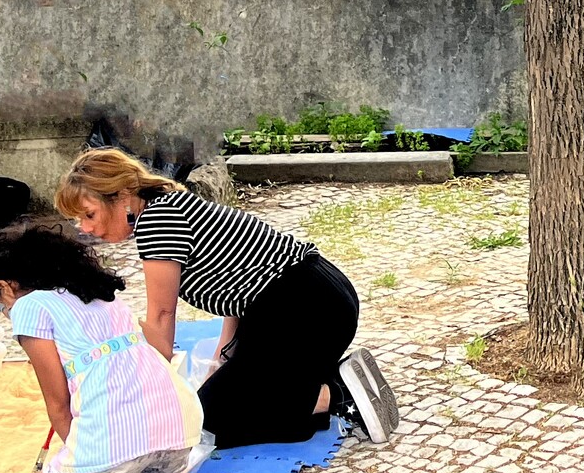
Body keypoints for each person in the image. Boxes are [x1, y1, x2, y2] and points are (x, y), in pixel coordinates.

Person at [56, 149, 398, 448]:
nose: (85, 228)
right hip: (318, 296)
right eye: (78, 219)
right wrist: (222, 358)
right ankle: (328, 376)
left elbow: (161, 316)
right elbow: (238, 285)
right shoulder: (171, 203)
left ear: (122, 195)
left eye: (89, 214)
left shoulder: (156, 223)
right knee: (224, 392)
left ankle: (338, 395)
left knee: (209, 421)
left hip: (304, 310)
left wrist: (154, 394)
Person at [0, 221, 231, 473]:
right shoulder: (97, 293)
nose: (3, 312)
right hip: (177, 420)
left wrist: (75, 461)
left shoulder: (29, 307)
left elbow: (58, 404)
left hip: (117, 435)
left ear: (5, 287)